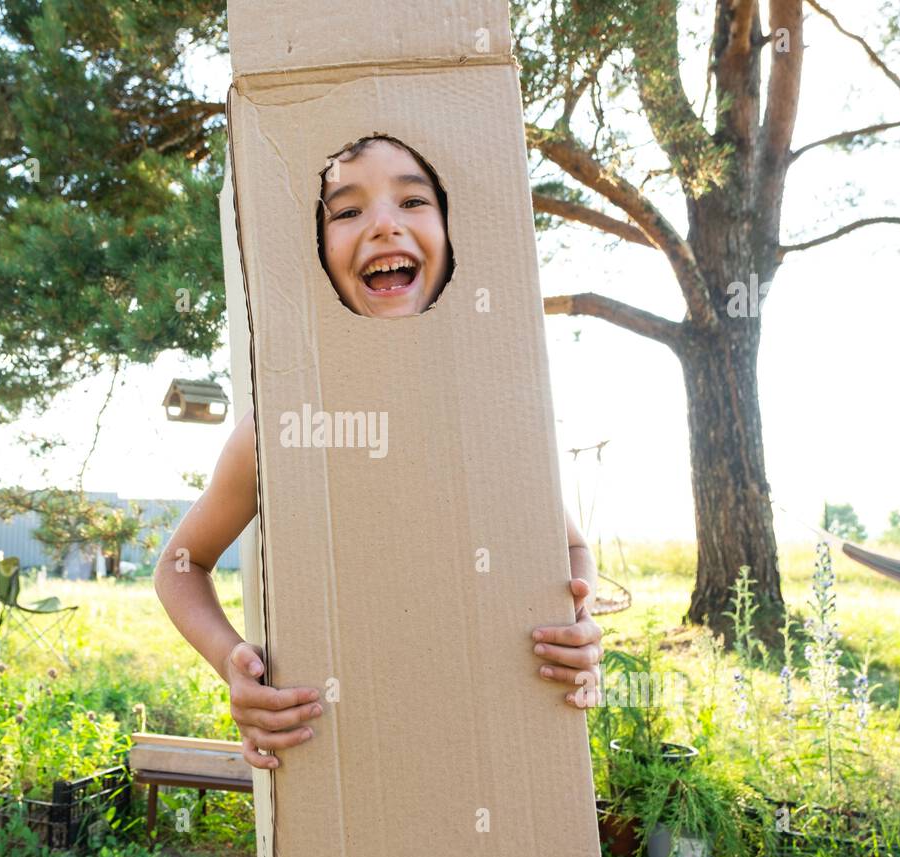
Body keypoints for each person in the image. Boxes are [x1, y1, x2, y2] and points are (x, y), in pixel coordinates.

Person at [154, 135, 604, 771]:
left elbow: (570, 547)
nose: (384, 223)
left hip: (500, 761)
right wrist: (231, 661)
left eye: (413, 199)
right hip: (336, 765)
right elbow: (179, 565)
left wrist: (578, 617)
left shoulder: (501, 418)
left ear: (453, 234)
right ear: (316, 253)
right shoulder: (282, 427)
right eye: (346, 211)